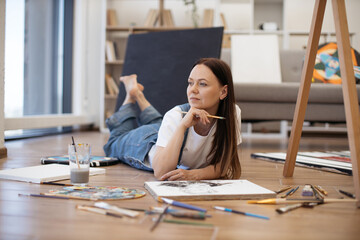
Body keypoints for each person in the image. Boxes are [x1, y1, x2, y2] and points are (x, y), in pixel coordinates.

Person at [103, 58, 241, 181]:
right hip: (147, 143)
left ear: (223, 92)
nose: (193, 90)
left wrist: (193, 175)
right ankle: (131, 95)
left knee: (159, 122)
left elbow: (223, 166)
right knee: (115, 142)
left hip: (163, 131)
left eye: (202, 84)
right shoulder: (176, 115)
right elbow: (161, 172)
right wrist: (182, 126)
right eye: (190, 83)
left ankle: (137, 94)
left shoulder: (232, 113)